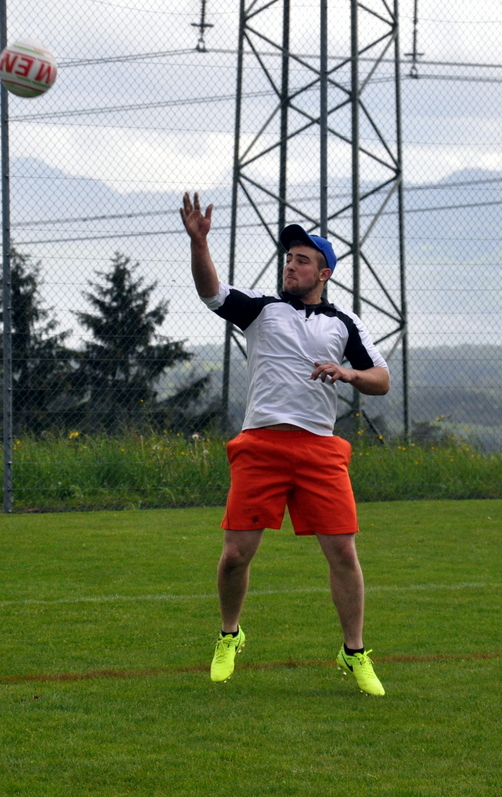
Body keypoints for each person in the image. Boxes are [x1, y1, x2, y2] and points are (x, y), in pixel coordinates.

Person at [179, 191, 390, 696]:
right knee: (236, 554)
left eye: (302, 260)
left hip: (320, 450)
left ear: (324, 274)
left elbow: (381, 380)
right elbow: (211, 293)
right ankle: (230, 635)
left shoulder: (344, 323)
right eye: (289, 258)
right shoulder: (262, 309)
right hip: (261, 446)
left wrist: (348, 373)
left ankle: (354, 652)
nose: (291, 265)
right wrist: (199, 244)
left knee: (343, 553)